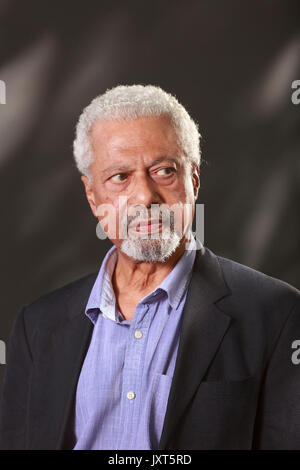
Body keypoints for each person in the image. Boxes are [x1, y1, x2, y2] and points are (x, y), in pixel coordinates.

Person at [0, 85, 299, 450]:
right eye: (120, 177)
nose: (144, 196)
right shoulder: (37, 326)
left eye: (163, 170)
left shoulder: (276, 314)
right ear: (93, 196)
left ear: (194, 180)